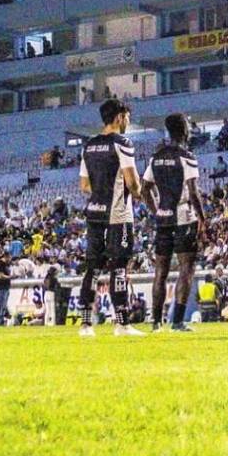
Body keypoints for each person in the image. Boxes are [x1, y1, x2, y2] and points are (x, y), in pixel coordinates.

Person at [77, 99, 143, 337]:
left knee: (92, 268)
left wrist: (101, 189)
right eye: (126, 117)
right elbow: (133, 183)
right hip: (118, 214)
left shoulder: (89, 145)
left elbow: (84, 185)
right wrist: (141, 194)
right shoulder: (122, 143)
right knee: (118, 269)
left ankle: (85, 325)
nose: (127, 122)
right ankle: (122, 324)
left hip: (94, 211)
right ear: (118, 118)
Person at [140, 113, 204, 332]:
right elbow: (194, 192)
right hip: (184, 217)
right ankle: (177, 321)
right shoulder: (187, 156)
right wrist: (203, 220)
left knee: (161, 271)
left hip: (163, 217)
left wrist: (156, 211)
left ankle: (156, 322)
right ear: (184, 129)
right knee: (187, 269)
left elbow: (144, 189)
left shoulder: (156, 157)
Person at [0, 253, 12, 326]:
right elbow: (0, 276)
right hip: (1, 287)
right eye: (9, 258)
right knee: (1, 304)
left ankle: (3, 318)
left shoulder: (5, 265)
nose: (10, 260)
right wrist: (10, 277)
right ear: (6, 257)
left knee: (3, 304)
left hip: (5, 287)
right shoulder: (0, 264)